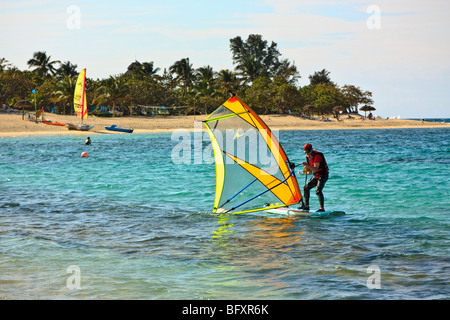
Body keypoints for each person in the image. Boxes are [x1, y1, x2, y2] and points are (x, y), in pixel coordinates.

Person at [300, 143, 329, 212]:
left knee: (318, 190)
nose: (307, 154)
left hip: (323, 175)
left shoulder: (317, 156)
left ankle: (322, 208)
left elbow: (315, 169)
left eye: (308, 152)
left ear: (312, 150)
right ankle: (306, 206)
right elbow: (310, 172)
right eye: (305, 152)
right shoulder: (307, 156)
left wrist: (307, 165)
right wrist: (307, 169)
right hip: (316, 176)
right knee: (306, 188)